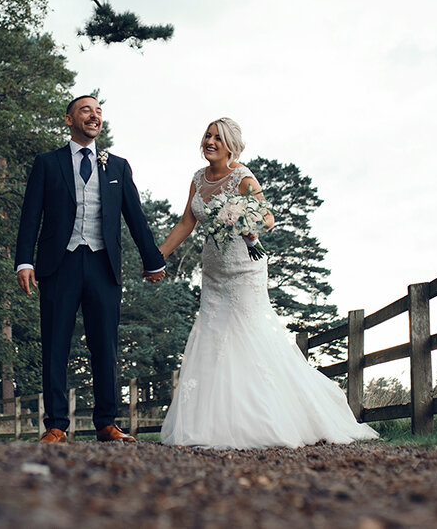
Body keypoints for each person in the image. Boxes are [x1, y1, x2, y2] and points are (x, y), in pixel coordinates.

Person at [158, 118, 378, 448]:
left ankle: (269, 418)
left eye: (218, 137)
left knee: (249, 336)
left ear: (231, 144)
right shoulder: (197, 180)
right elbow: (187, 221)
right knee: (212, 338)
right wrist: (157, 255)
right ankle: (211, 424)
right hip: (214, 273)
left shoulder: (243, 177)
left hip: (245, 271)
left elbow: (268, 218)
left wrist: (247, 223)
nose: (210, 141)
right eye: (207, 135)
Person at [15, 95, 166, 443]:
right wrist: (25, 261)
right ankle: (55, 425)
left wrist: (153, 259)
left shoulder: (117, 166)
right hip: (58, 263)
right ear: (69, 119)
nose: (94, 116)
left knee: (105, 345)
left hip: (103, 265)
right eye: (86, 110)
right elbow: (29, 217)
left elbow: (135, 217)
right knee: (55, 344)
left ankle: (106, 423)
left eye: (98, 111)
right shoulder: (47, 163)